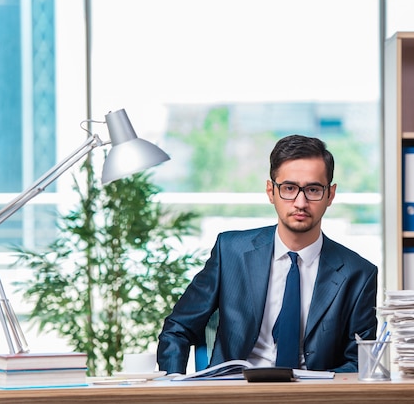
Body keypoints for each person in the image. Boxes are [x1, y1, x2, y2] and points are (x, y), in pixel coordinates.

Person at [157, 134, 378, 374]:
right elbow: (177, 328)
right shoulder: (231, 251)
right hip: (235, 393)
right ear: (270, 191)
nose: (300, 202)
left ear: (330, 195)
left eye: (313, 189)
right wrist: (173, 387)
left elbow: (359, 362)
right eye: (289, 188)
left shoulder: (359, 274)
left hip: (313, 397)